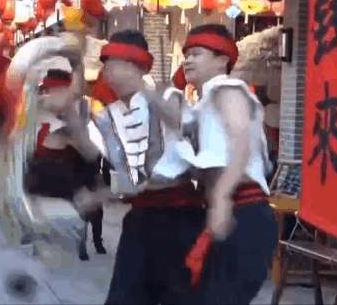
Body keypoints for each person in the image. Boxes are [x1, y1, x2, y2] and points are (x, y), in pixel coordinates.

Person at [141, 24, 276, 305]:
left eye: (197, 54)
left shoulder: (229, 89)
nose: (187, 61)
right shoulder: (201, 105)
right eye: (186, 55)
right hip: (220, 214)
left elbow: (241, 138)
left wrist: (222, 197)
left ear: (222, 60)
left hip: (243, 212)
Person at [87, 30, 204, 305]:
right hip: (142, 219)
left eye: (115, 65)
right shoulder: (113, 114)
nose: (108, 74)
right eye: (106, 66)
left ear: (138, 66)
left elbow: (193, 158)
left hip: (179, 220)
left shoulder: (168, 99)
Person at [25, 59, 106, 261]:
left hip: (74, 161)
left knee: (86, 204)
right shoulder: (41, 106)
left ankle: (88, 241)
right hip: (53, 162)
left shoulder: (84, 104)